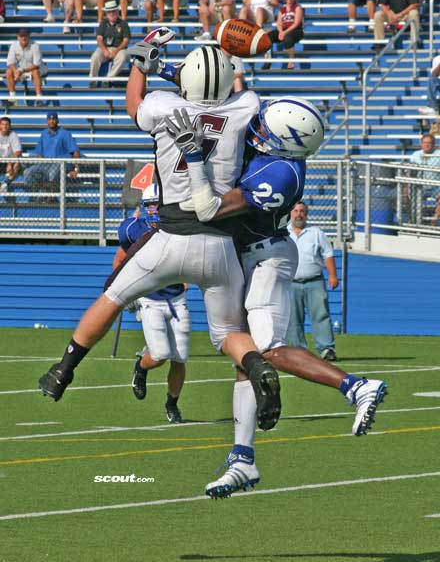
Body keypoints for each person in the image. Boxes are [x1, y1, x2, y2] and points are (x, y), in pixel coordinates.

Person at [38, 34, 282, 439]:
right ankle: (258, 366)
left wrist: (141, 62)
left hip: (170, 235)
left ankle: (63, 370)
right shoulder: (244, 108)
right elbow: (234, 89)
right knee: (227, 335)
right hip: (221, 243)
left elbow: (134, 103)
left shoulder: (162, 105)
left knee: (113, 296)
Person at [165, 98, 388, 498]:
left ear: (285, 142)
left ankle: (356, 387)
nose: (257, 132)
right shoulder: (278, 155)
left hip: (265, 257)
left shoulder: (281, 174)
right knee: (245, 357)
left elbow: (210, 209)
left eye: (265, 131)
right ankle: (242, 459)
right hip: (250, 256)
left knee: (269, 350)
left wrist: (195, 157)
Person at [113, 184, 189, 423]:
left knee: (180, 358)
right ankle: (141, 367)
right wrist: (125, 291)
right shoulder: (133, 229)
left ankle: (172, 403)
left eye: (159, 204)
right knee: (160, 355)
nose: (155, 210)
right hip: (150, 300)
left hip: (177, 299)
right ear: (144, 207)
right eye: (151, 205)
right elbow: (121, 259)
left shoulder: (179, 227)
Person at [288, 201, 338, 361]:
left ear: (307, 214)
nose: (298, 214)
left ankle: (326, 349)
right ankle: (298, 351)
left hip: (314, 281)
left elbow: (328, 254)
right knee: (293, 319)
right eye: (295, 211)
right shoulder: (283, 233)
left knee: (321, 315)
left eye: (302, 211)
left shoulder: (316, 233)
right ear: (290, 214)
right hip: (290, 283)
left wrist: (332, 275)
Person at [24, 111, 80, 195]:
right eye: (49, 119)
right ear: (47, 121)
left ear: (57, 120)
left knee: (53, 172)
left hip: (62, 163)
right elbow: (40, 154)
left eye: (54, 119)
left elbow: (75, 151)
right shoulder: (44, 134)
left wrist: (76, 169)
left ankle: (50, 196)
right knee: (27, 172)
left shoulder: (65, 133)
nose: (51, 121)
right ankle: (42, 192)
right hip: (47, 163)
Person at [89, 0, 131, 88]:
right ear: (106, 13)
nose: (111, 14)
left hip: (119, 49)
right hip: (105, 48)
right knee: (95, 56)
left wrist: (116, 50)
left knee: (123, 56)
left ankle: (108, 79)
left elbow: (126, 40)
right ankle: (92, 80)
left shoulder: (123, 24)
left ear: (117, 12)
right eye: (109, 12)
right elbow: (99, 39)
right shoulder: (103, 23)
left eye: (113, 11)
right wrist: (105, 50)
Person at [265, 0, 303, 70]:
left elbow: (296, 23)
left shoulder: (297, 7)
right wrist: (281, 31)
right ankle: (268, 60)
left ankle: (291, 61)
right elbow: (279, 23)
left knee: (288, 38)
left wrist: (284, 32)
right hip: (284, 30)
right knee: (268, 36)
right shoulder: (282, 10)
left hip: (296, 30)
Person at [6, 29, 45, 107]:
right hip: (21, 70)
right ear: (18, 37)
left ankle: (39, 98)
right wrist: (16, 71)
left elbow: (36, 64)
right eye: (21, 36)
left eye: (25, 36)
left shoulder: (35, 45)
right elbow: (10, 62)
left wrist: (22, 71)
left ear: (29, 37)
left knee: (35, 71)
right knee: (9, 72)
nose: (23, 38)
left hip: (36, 69)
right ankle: (13, 98)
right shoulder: (14, 45)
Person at [407, 133, 440, 223]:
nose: (427, 145)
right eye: (425, 142)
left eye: (429, 143)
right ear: (421, 144)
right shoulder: (415, 155)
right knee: (405, 192)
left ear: (433, 144)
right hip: (419, 186)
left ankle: (434, 219)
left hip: (436, 186)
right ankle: (412, 219)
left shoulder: (439, 154)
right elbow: (410, 172)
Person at [0, 116, 22, 194]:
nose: (5, 126)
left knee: (17, 163)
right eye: (3, 124)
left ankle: (6, 183)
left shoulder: (13, 135)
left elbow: (18, 152)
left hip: (10, 162)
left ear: (10, 126)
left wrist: (10, 162)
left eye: (7, 124)